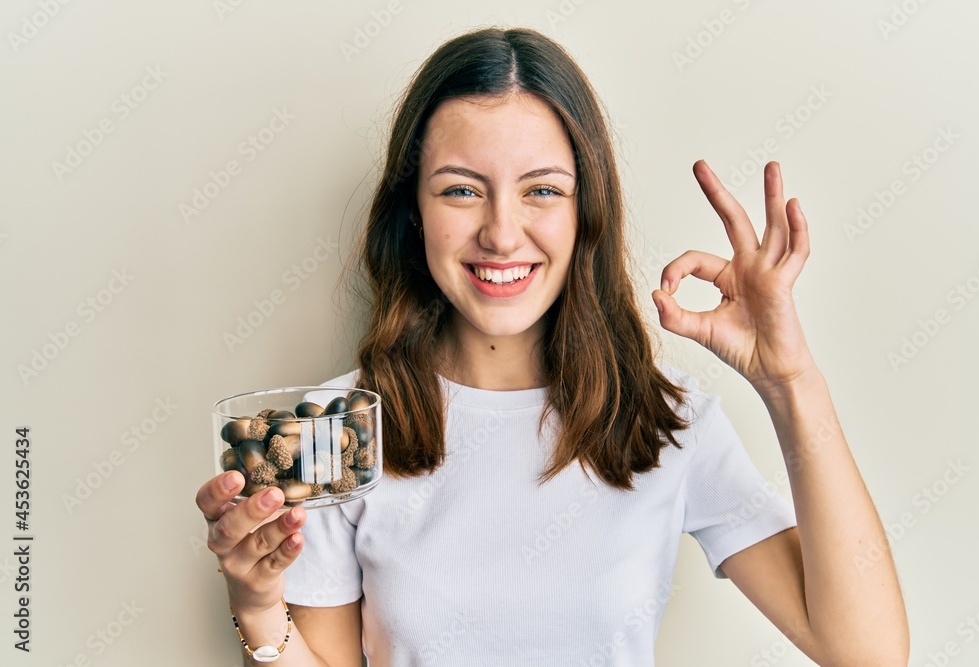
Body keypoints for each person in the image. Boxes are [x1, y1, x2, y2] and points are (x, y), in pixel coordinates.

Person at [196, 26, 909, 666]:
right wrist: (257, 605)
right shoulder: (326, 429)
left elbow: (870, 655)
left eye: (541, 191)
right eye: (461, 191)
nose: (502, 234)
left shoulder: (670, 422)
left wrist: (790, 380)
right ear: (412, 211)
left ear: (585, 211)